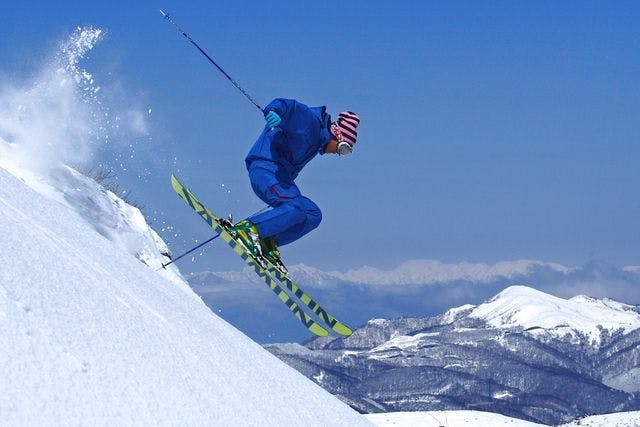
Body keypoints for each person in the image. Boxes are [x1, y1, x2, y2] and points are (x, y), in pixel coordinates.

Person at [230, 98, 360, 272]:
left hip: (280, 177)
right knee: (296, 207)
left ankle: (268, 240)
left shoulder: (317, 141)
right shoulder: (311, 124)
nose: (337, 153)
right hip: (266, 168)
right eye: (343, 148)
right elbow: (291, 108)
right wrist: (275, 111)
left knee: (313, 214)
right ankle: (248, 230)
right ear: (336, 133)